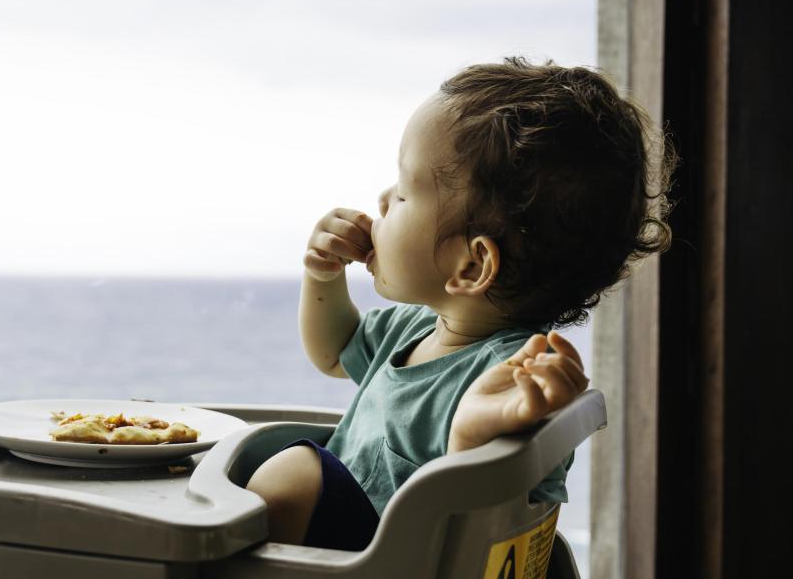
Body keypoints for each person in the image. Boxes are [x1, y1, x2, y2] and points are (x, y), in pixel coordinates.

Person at [245, 57, 673, 551]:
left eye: (405, 194)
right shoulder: (415, 327)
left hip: (395, 562)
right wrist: (322, 276)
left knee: (291, 474)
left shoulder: (510, 379)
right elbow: (333, 350)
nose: (383, 199)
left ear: (471, 267)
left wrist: (475, 433)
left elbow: (484, 530)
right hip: (352, 547)